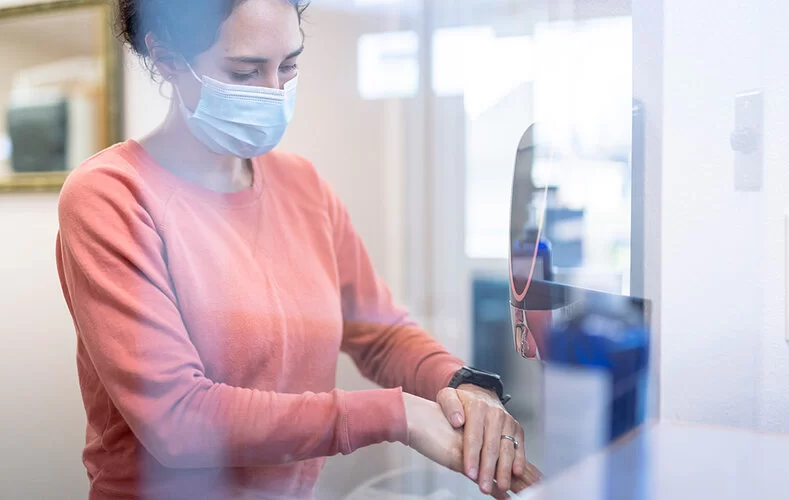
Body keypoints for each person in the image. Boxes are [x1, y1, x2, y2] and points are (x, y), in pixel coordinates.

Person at [55, 0, 541, 498]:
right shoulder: (111, 196)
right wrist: (397, 415)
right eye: (244, 72)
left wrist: (461, 385)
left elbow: (381, 333)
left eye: (289, 65)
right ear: (167, 58)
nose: (274, 93)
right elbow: (179, 421)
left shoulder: (302, 185)